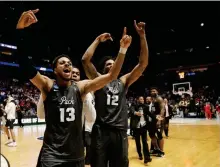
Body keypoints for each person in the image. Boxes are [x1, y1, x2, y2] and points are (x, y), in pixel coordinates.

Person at [15, 9, 130, 167]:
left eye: (68, 62)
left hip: (75, 156)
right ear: (55, 70)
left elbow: (111, 76)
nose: (67, 64)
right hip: (51, 156)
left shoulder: (80, 87)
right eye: (62, 63)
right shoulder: (48, 85)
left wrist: (122, 50)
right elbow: (25, 64)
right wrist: (20, 30)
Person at [82, 20, 148, 167]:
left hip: (120, 130)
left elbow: (143, 64)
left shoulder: (123, 81)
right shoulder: (98, 80)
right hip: (101, 131)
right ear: (104, 69)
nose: (111, 66)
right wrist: (98, 40)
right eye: (108, 65)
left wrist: (142, 37)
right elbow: (85, 60)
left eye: (113, 64)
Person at [130, 96, 151, 164]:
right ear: (138, 100)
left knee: (145, 142)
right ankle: (140, 154)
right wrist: (136, 113)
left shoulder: (146, 106)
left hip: (144, 126)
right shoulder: (134, 105)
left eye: (143, 99)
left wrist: (156, 117)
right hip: (136, 127)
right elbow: (132, 110)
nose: (142, 100)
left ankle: (147, 158)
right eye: (140, 99)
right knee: (138, 142)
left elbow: (150, 114)